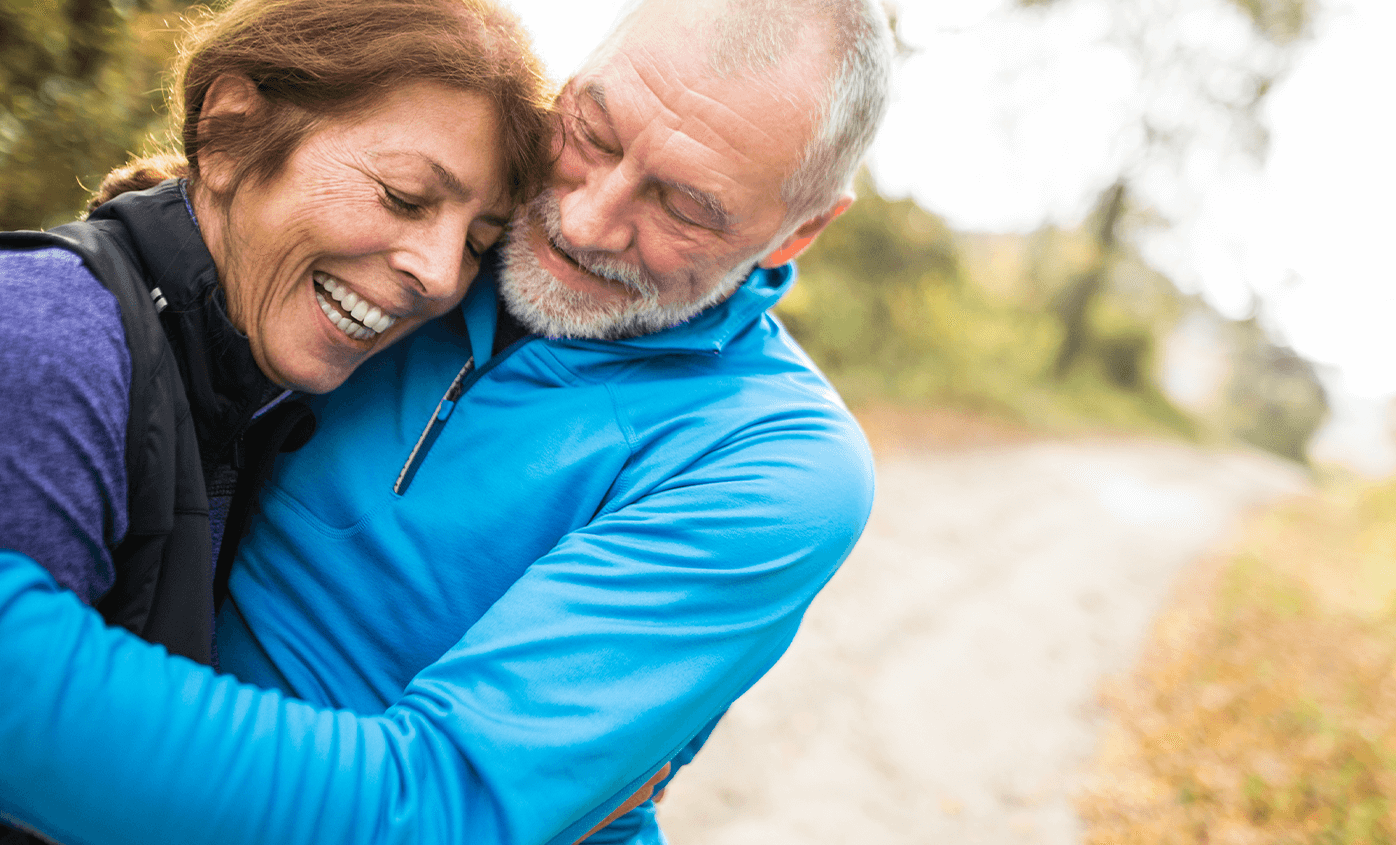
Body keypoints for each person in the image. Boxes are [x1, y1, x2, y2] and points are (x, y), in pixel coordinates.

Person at [0, 0, 891, 844]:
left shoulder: (772, 460)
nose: (583, 221)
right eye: (592, 133)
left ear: (795, 233)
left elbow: (434, 811)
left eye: (684, 206)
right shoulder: (431, 232)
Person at [0, 0, 548, 671]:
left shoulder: (252, 395)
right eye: (404, 196)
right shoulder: (50, 341)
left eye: (476, 241)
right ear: (230, 132)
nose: (439, 275)